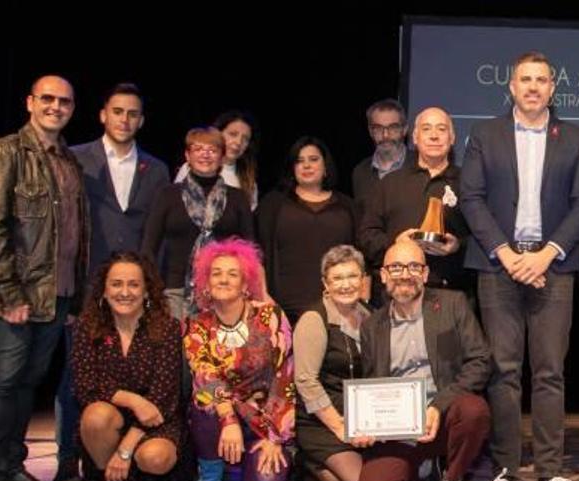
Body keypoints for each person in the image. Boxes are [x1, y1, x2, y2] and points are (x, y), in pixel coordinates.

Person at [458, 51, 579, 481]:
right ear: (512, 87)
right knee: (503, 371)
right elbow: (472, 198)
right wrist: (509, 254)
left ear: (552, 89)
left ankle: (551, 471)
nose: (534, 87)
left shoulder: (574, 137)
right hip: (499, 266)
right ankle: (504, 470)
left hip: (552, 267)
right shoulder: (484, 134)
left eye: (542, 80)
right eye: (525, 79)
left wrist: (545, 256)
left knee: (550, 372)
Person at [58, 83, 172, 481]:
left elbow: (157, 234)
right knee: (75, 379)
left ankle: (129, 461)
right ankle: (69, 463)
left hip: (137, 289)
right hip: (88, 285)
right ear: (103, 114)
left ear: (142, 120)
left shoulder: (156, 169)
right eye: (118, 111)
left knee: (144, 371)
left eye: (133, 113)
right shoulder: (76, 159)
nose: (125, 119)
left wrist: (149, 287)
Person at [353, 241, 492, 481]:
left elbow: (481, 361)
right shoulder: (372, 326)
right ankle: (422, 474)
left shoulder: (453, 304)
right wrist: (365, 424)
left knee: (474, 410)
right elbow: (371, 384)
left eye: (414, 266)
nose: (405, 274)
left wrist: (437, 406)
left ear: (426, 274)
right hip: (399, 429)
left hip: (444, 418)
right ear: (383, 275)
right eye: (396, 267)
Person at [0, 75, 87, 481]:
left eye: (64, 101)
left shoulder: (68, 160)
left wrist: (75, 295)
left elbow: (75, 234)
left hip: (59, 296)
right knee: (4, 384)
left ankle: (11, 468)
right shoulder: (7, 152)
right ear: (30, 102)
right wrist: (8, 293)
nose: (56, 106)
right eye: (47, 99)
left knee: (27, 384)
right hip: (17, 298)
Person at [178, 238, 294, 481]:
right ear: (206, 284)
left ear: (245, 284)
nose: (223, 280)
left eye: (233, 274)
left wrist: (274, 438)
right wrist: (228, 419)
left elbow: (284, 377)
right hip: (220, 415)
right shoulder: (195, 325)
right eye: (216, 273)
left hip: (266, 418)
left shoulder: (271, 317)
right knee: (202, 403)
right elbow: (205, 378)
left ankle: (250, 464)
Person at [72, 252, 189, 481]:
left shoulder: (167, 328)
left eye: (134, 284)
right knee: (95, 416)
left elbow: (164, 395)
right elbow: (85, 386)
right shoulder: (86, 326)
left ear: (147, 291)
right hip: (108, 423)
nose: (125, 292)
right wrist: (132, 399)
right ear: (103, 290)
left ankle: (140, 478)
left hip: (155, 420)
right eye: (116, 284)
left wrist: (125, 448)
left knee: (155, 458)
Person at [141, 127, 254, 320]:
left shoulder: (237, 198)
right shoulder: (168, 195)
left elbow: (251, 250)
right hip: (175, 292)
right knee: (179, 349)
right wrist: (149, 288)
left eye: (213, 149)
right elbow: (149, 247)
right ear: (187, 155)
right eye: (198, 148)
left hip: (224, 291)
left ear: (222, 156)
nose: (205, 154)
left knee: (221, 350)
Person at [360, 107, 471, 297]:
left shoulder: (470, 183)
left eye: (442, 129)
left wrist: (458, 245)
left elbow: (485, 239)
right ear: (415, 137)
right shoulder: (389, 183)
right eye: (427, 129)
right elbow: (366, 237)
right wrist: (396, 243)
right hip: (396, 294)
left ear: (452, 139)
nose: (434, 136)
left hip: (451, 294)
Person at [294, 245, 371, 481]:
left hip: (359, 421)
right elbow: (306, 381)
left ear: (363, 280)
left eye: (352, 276)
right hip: (322, 423)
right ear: (325, 284)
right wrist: (340, 427)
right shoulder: (314, 319)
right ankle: (310, 467)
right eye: (337, 278)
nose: (346, 284)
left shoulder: (371, 317)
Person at [256, 136, 357, 324]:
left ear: (326, 166)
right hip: (283, 311)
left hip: (338, 307)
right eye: (299, 161)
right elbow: (257, 254)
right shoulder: (273, 204)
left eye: (313, 159)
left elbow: (361, 256)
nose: (307, 166)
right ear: (292, 169)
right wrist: (263, 295)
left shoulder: (347, 206)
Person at [175, 111, 259, 210]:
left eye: (245, 139)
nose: (238, 142)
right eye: (233, 134)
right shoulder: (192, 168)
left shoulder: (248, 182)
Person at [351, 99, 408, 211]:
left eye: (393, 128)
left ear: (404, 130)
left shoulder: (420, 166)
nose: (385, 135)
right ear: (370, 131)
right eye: (378, 128)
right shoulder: (360, 172)